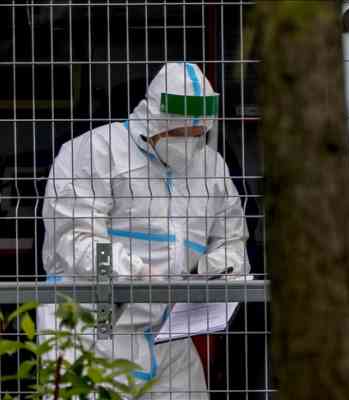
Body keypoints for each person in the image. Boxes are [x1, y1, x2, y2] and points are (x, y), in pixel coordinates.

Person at [37, 62, 249, 399]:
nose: (189, 144)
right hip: (93, 329)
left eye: (198, 135)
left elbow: (232, 236)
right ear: (153, 118)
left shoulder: (211, 167)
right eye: (179, 133)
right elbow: (74, 239)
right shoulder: (92, 153)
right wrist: (133, 273)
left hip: (169, 333)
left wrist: (224, 264)